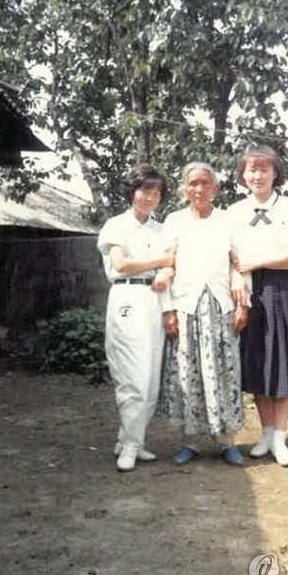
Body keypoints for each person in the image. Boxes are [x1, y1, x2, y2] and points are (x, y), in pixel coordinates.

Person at [227, 145, 288, 467]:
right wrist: (239, 277)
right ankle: (265, 435)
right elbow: (231, 256)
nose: (258, 175)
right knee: (257, 360)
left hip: (284, 286)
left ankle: (280, 438)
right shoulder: (234, 212)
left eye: (264, 169)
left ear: (275, 173)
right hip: (250, 288)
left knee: (284, 361)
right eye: (251, 169)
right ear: (243, 175)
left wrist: (257, 261)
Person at [159, 162, 249, 467]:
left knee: (226, 371)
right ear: (184, 189)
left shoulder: (228, 221)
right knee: (187, 373)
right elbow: (166, 266)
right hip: (185, 307)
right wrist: (167, 310)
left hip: (221, 307)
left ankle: (227, 442)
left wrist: (243, 305)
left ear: (215, 188)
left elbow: (239, 264)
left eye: (205, 183)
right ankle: (191, 442)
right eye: (192, 184)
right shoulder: (174, 222)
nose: (198, 189)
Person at [97, 164, 174, 473]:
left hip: (155, 298)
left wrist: (166, 269)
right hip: (127, 297)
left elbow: (171, 265)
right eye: (144, 190)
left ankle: (131, 440)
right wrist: (161, 261)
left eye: (156, 192)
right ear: (132, 192)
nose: (149, 197)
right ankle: (129, 446)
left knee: (151, 380)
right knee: (133, 377)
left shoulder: (162, 229)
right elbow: (121, 264)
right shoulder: (116, 225)